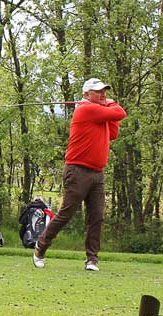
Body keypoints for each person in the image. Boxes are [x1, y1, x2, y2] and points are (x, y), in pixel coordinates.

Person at [32, 78, 127, 271]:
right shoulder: (85, 109)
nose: (103, 94)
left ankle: (92, 259)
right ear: (86, 95)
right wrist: (110, 104)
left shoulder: (99, 113)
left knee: (96, 216)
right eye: (98, 91)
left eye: (104, 91)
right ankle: (40, 247)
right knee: (66, 213)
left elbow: (113, 133)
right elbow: (120, 112)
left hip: (97, 173)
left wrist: (108, 109)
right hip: (77, 170)